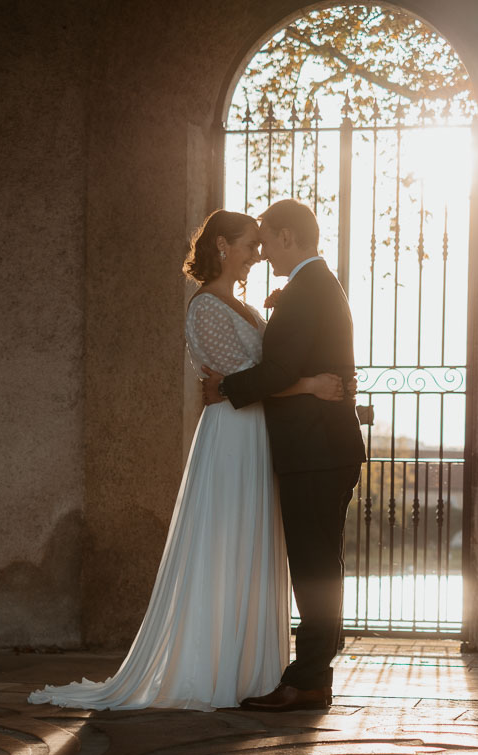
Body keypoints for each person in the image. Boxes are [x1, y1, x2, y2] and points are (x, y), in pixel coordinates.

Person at [29, 209, 345, 711]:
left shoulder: (247, 305)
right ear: (222, 246)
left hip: (260, 435)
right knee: (224, 546)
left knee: (259, 547)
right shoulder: (205, 309)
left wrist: (275, 326)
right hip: (233, 437)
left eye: (262, 245)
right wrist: (303, 382)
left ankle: (261, 669)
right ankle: (213, 667)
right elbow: (252, 375)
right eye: (249, 245)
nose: (257, 254)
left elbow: (260, 370)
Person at [199, 199, 365, 713]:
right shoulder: (314, 286)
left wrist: (225, 387)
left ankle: (307, 679)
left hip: (314, 451)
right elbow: (301, 359)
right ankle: (313, 674)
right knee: (323, 565)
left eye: (267, 239)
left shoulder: (305, 291)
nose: (264, 250)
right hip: (324, 448)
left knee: (314, 568)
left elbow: (276, 372)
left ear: (289, 237)